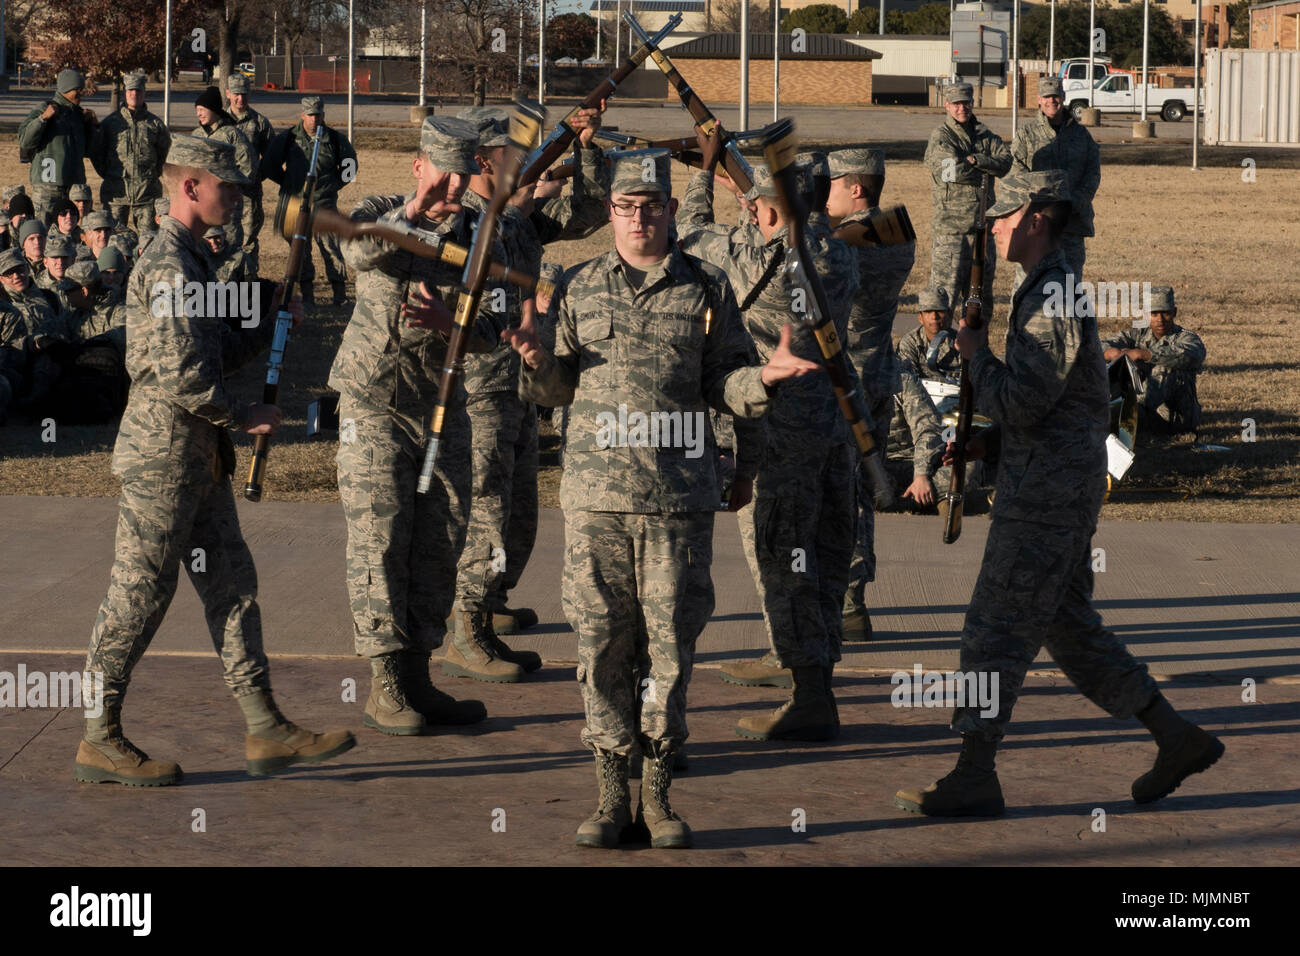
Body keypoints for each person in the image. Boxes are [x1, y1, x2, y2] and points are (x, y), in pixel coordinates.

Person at [505, 148, 822, 848]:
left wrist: (763, 381)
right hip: (596, 502)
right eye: (626, 207)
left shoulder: (707, 287)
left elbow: (725, 381)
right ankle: (609, 793)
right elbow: (556, 391)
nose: (639, 218)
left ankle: (657, 794)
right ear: (610, 212)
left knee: (670, 650)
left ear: (673, 210)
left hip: (676, 504)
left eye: (652, 206)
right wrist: (535, 361)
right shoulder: (579, 286)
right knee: (600, 645)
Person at [893, 171, 1223, 817]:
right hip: (1053, 483)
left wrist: (974, 356)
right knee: (1068, 627)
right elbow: (1057, 405)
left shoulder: (1052, 299)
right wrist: (989, 445)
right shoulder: (1047, 290)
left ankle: (975, 772)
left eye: (1004, 216)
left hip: (1044, 499)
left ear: (1037, 219)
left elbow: (1025, 400)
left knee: (992, 630)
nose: (993, 227)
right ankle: (1174, 736)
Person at [75, 135, 356, 787]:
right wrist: (242, 413)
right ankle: (98, 736)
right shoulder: (170, 265)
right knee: (140, 594)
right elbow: (182, 375)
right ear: (190, 186)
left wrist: (270, 323)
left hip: (199, 460)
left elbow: (213, 353)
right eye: (226, 186)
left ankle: (264, 726)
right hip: (162, 460)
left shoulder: (195, 260)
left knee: (232, 585)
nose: (236, 197)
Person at [679, 141, 859, 743]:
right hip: (833, 433)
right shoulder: (838, 253)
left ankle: (808, 697)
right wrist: (754, 199)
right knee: (824, 561)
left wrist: (706, 170)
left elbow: (689, 234)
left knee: (784, 564)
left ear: (773, 211)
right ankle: (819, 688)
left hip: (778, 438)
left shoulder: (759, 260)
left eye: (758, 207)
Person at [330, 116, 501, 735]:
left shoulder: (480, 233)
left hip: (440, 408)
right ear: (419, 166)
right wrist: (413, 213)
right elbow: (357, 253)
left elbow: (494, 331)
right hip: (373, 405)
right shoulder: (378, 211)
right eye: (442, 174)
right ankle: (385, 684)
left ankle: (419, 673)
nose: (453, 187)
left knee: (439, 537)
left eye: (462, 175)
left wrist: (451, 324)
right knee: (380, 537)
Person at [443, 104, 610, 679]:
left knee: (518, 514)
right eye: (512, 153)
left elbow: (588, 213)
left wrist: (585, 149)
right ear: (484, 161)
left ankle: (489, 604)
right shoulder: (462, 221)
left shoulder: (518, 222)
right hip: (477, 390)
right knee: (486, 508)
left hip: (520, 386)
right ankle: (466, 629)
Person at [827, 147, 915, 643]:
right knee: (859, 490)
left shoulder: (846, 243)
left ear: (856, 189)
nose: (824, 194)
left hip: (844, 386)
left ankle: (842, 600)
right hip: (878, 376)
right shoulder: (897, 231)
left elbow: (803, 255)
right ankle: (852, 600)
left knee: (839, 493)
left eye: (832, 184)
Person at [262, 97, 357, 306]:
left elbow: (350, 168)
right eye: (311, 115)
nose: (315, 119)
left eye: (318, 115)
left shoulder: (335, 140)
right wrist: (289, 183)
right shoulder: (288, 138)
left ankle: (340, 296)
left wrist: (332, 186)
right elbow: (269, 165)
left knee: (332, 250)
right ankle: (306, 297)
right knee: (299, 252)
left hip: (324, 205)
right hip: (294, 205)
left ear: (323, 115)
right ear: (302, 115)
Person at [923, 82, 1011, 310]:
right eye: (956, 103)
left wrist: (978, 160)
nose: (962, 108)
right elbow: (951, 171)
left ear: (973, 103)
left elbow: (1006, 162)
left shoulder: (985, 136)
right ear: (947, 105)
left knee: (979, 301)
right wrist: (986, 168)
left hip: (982, 229)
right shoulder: (942, 136)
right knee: (943, 301)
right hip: (952, 231)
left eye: (966, 103)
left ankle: (973, 335)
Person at [1011, 77, 1100, 280]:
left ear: (1063, 97)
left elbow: (1093, 172)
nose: (1052, 101)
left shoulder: (1081, 135)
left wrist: (1076, 201)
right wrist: (1035, 204)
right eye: (1047, 97)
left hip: (1071, 224)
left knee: (1069, 286)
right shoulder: (1026, 134)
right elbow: (1016, 172)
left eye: (1056, 96)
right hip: (1037, 225)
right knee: (1030, 285)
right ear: (1039, 99)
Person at [887, 287, 962, 511]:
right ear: (919, 317)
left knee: (965, 466)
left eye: (940, 311)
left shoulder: (961, 343)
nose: (935, 317)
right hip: (914, 421)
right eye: (929, 311)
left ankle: (916, 497)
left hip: (952, 414)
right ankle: (931, 498)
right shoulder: (910, 344)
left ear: (950, 314)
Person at [1103, 286, 1205, 437]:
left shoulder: (1186, 338)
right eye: (1154, 313)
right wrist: (1111, 353)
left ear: (1174, 312)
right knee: (1113, 365)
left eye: (1166, 313)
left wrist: (1144, 354)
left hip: (1177, 418)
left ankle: (1131, 413)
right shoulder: (1137, 335)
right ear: (1145, 314)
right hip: (1144, 416)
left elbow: (1192, 355)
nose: (1160, 319)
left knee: (1166, 367)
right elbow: (1100, 345)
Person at [91, 72, 170, 236]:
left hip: (147, 194)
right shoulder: (110, 123)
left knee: (149, 240)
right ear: (125, 93)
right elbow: (97, 153)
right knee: (113, 239)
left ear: (144, 93)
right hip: (116, 194)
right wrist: (109, 174)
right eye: (131, 91)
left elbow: (164, 154)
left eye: (138, 91)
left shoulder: (155, 124)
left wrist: (150, 177)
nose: (134, 94)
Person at [17, 69, 97, 224]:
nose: (81, 93)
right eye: (77, 89)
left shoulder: (79, 115)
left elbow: (89, 150)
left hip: (73, 188)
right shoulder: (45, 109)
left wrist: (93, 126)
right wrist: (42, 119)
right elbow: (25, 140)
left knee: (71, 232)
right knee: (43, 230)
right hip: (47, 188)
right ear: (66, 89)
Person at [193, 87, 255, 256]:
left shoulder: (232, 135)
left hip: (226, 203)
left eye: (202, 109)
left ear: (213, 109)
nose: (198, 114)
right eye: (197, 110)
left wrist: (228, 188)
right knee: (203, 246)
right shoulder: (196, 134)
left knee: (229, 245)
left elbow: (248, 167)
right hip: (202, 202)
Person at [225, 74, 274, 275]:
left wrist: (254, 177)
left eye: (244, 94)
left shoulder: (259, 123)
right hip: (224, 193)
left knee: (248, 240)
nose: (240, 99)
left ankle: (249, 283)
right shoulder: (219, 121)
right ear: (228, 94)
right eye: (236, 94)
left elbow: (271, 157)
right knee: (225, 238)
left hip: (249, 195)